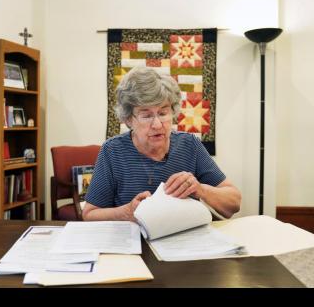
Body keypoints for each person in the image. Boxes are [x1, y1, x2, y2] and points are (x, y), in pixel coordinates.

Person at [83, 67, 241, 222]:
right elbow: (89, 214)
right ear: (129, 119)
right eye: (146, 115)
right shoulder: (112, 151)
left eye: (163, 113)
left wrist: (200, 189)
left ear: (173, 111)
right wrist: (126, 212)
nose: (157, 124)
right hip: (135, 242)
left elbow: (234, 203)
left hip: (182, 240)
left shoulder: (189, 145)